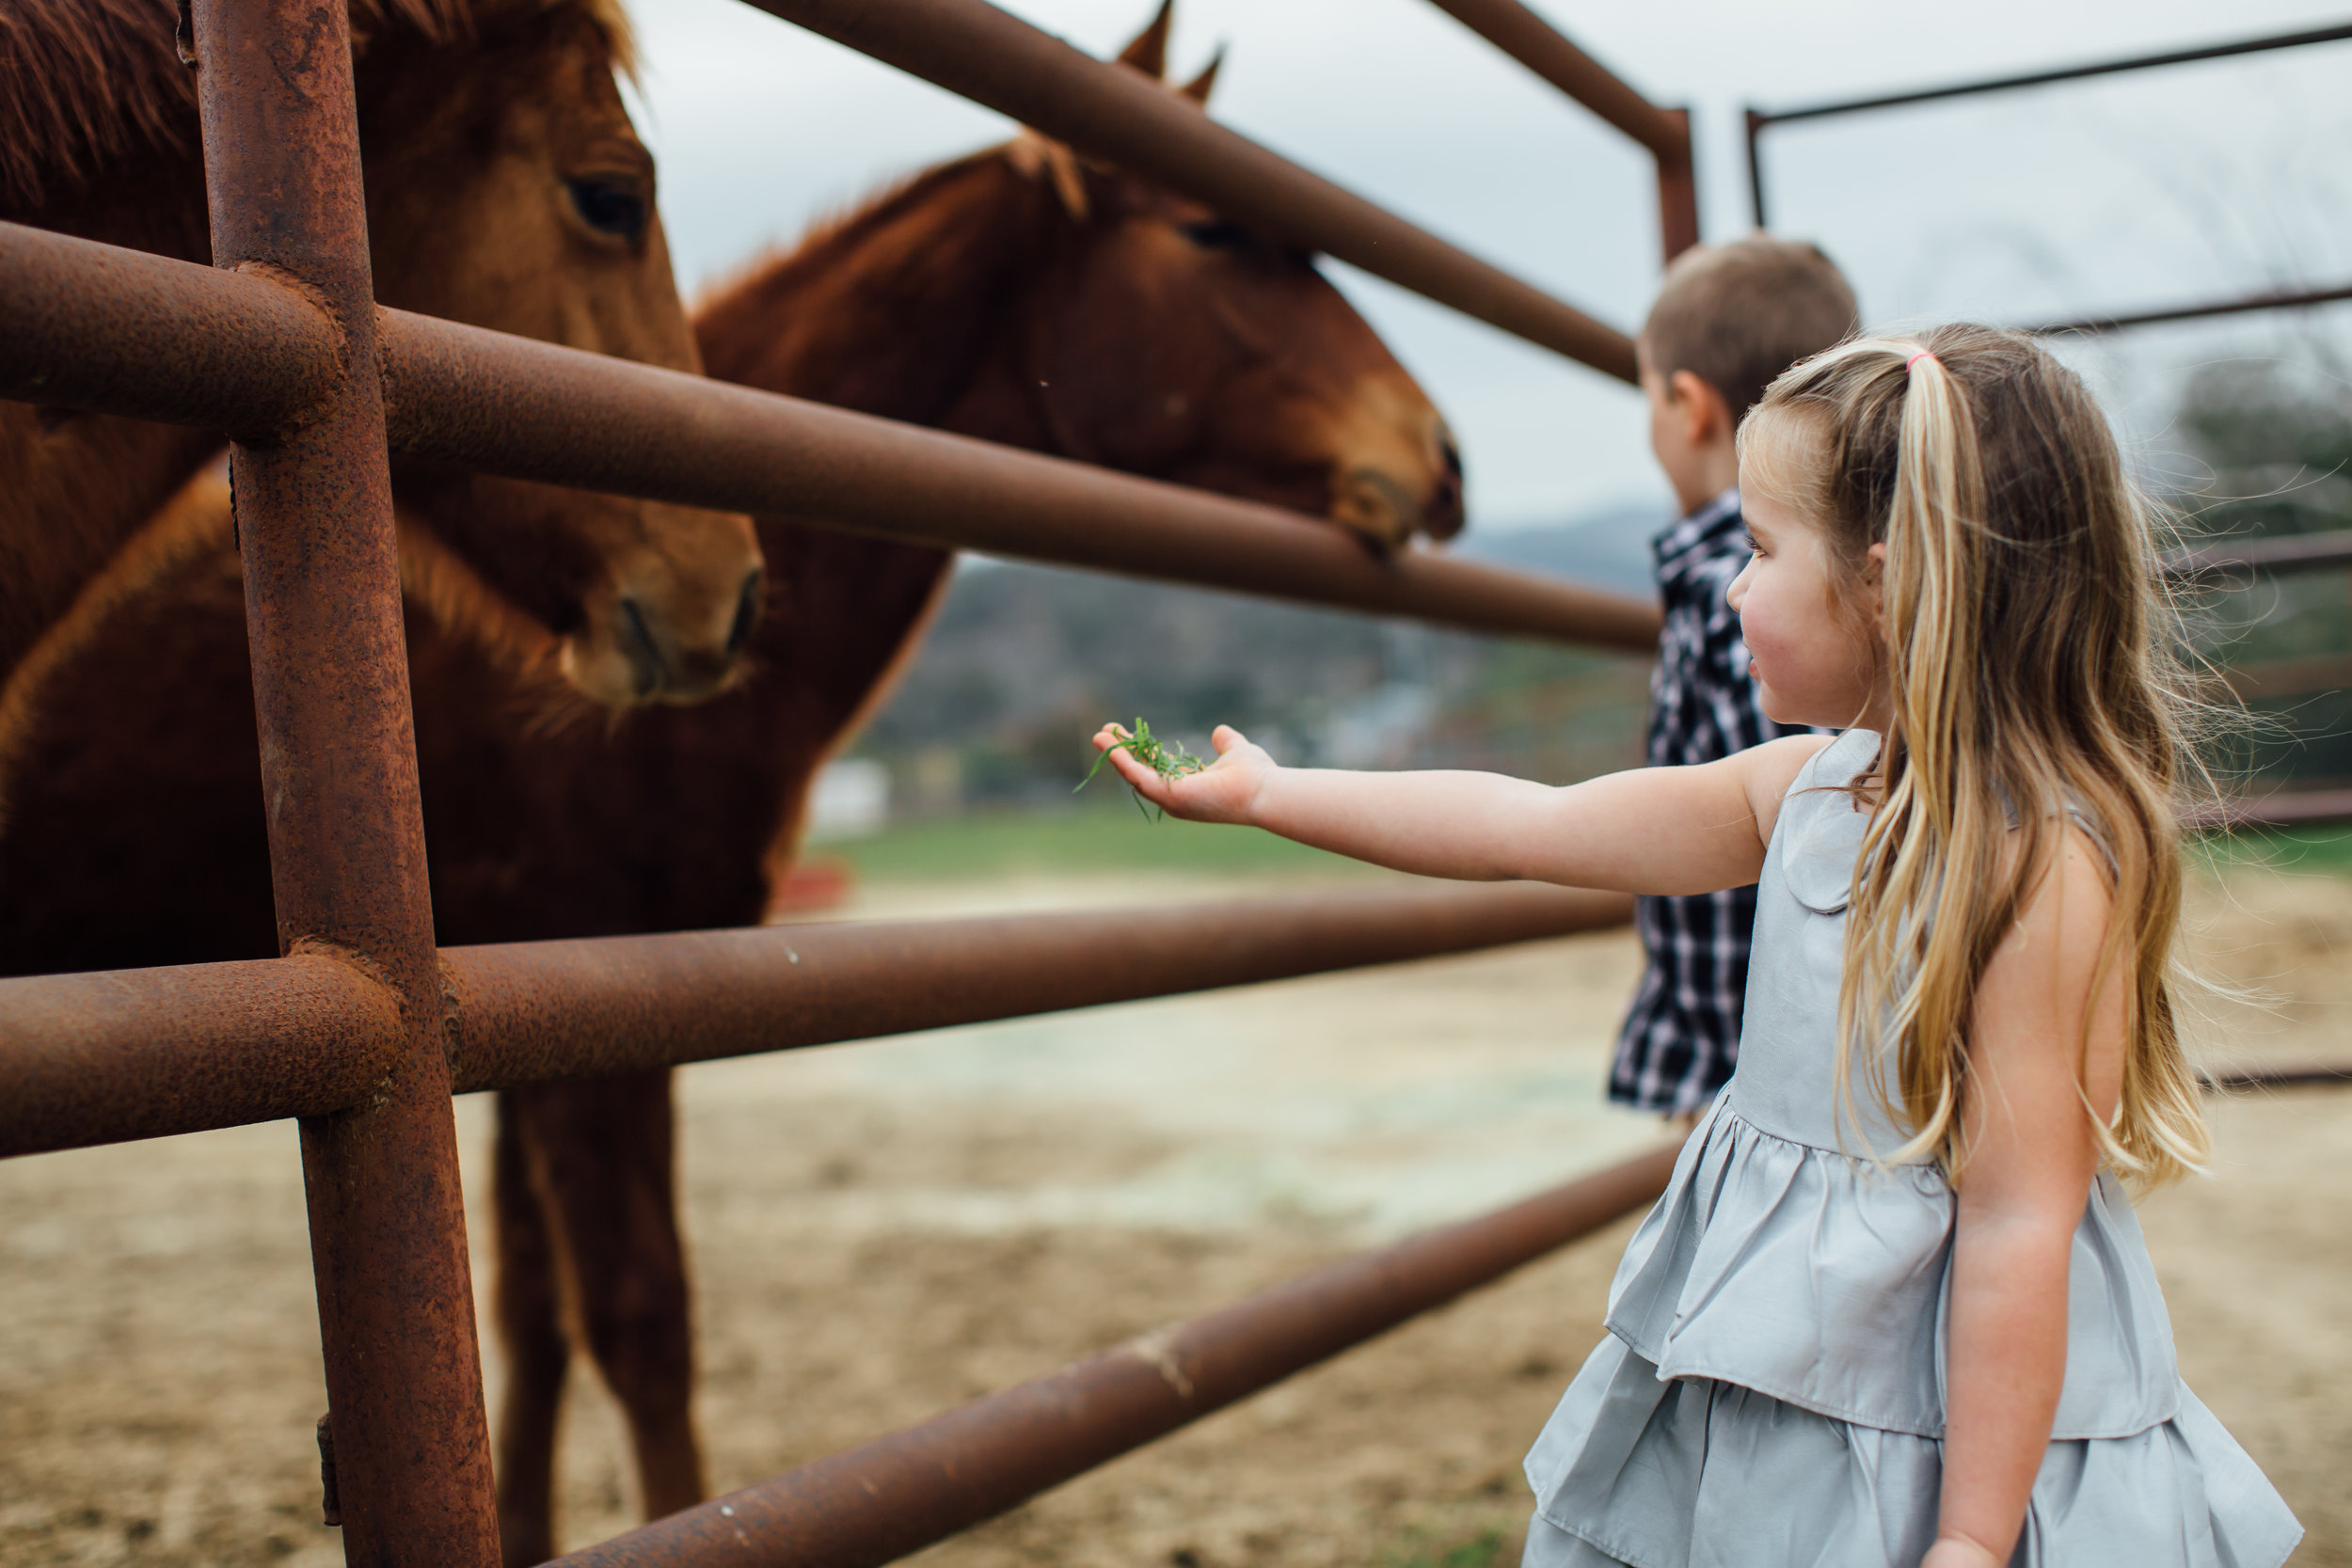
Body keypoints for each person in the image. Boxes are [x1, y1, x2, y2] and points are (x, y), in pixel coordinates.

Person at [1090, 325, 2299, 1566]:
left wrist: (1974, 1540)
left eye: (1762, 549)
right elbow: (1531, 824)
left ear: (1887, 583)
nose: (1731, 587)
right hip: (1767, 1372)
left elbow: (2014, 1226)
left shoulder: (2037, 861)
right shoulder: (1807, 789)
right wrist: (1278, 793)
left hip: (1944, 1427)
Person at [1621, 235, 1861, 1118]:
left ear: (1687, 406)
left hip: (1758, 1059)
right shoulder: (1825, 580)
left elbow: (1800, 845)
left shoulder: (1747, 603)